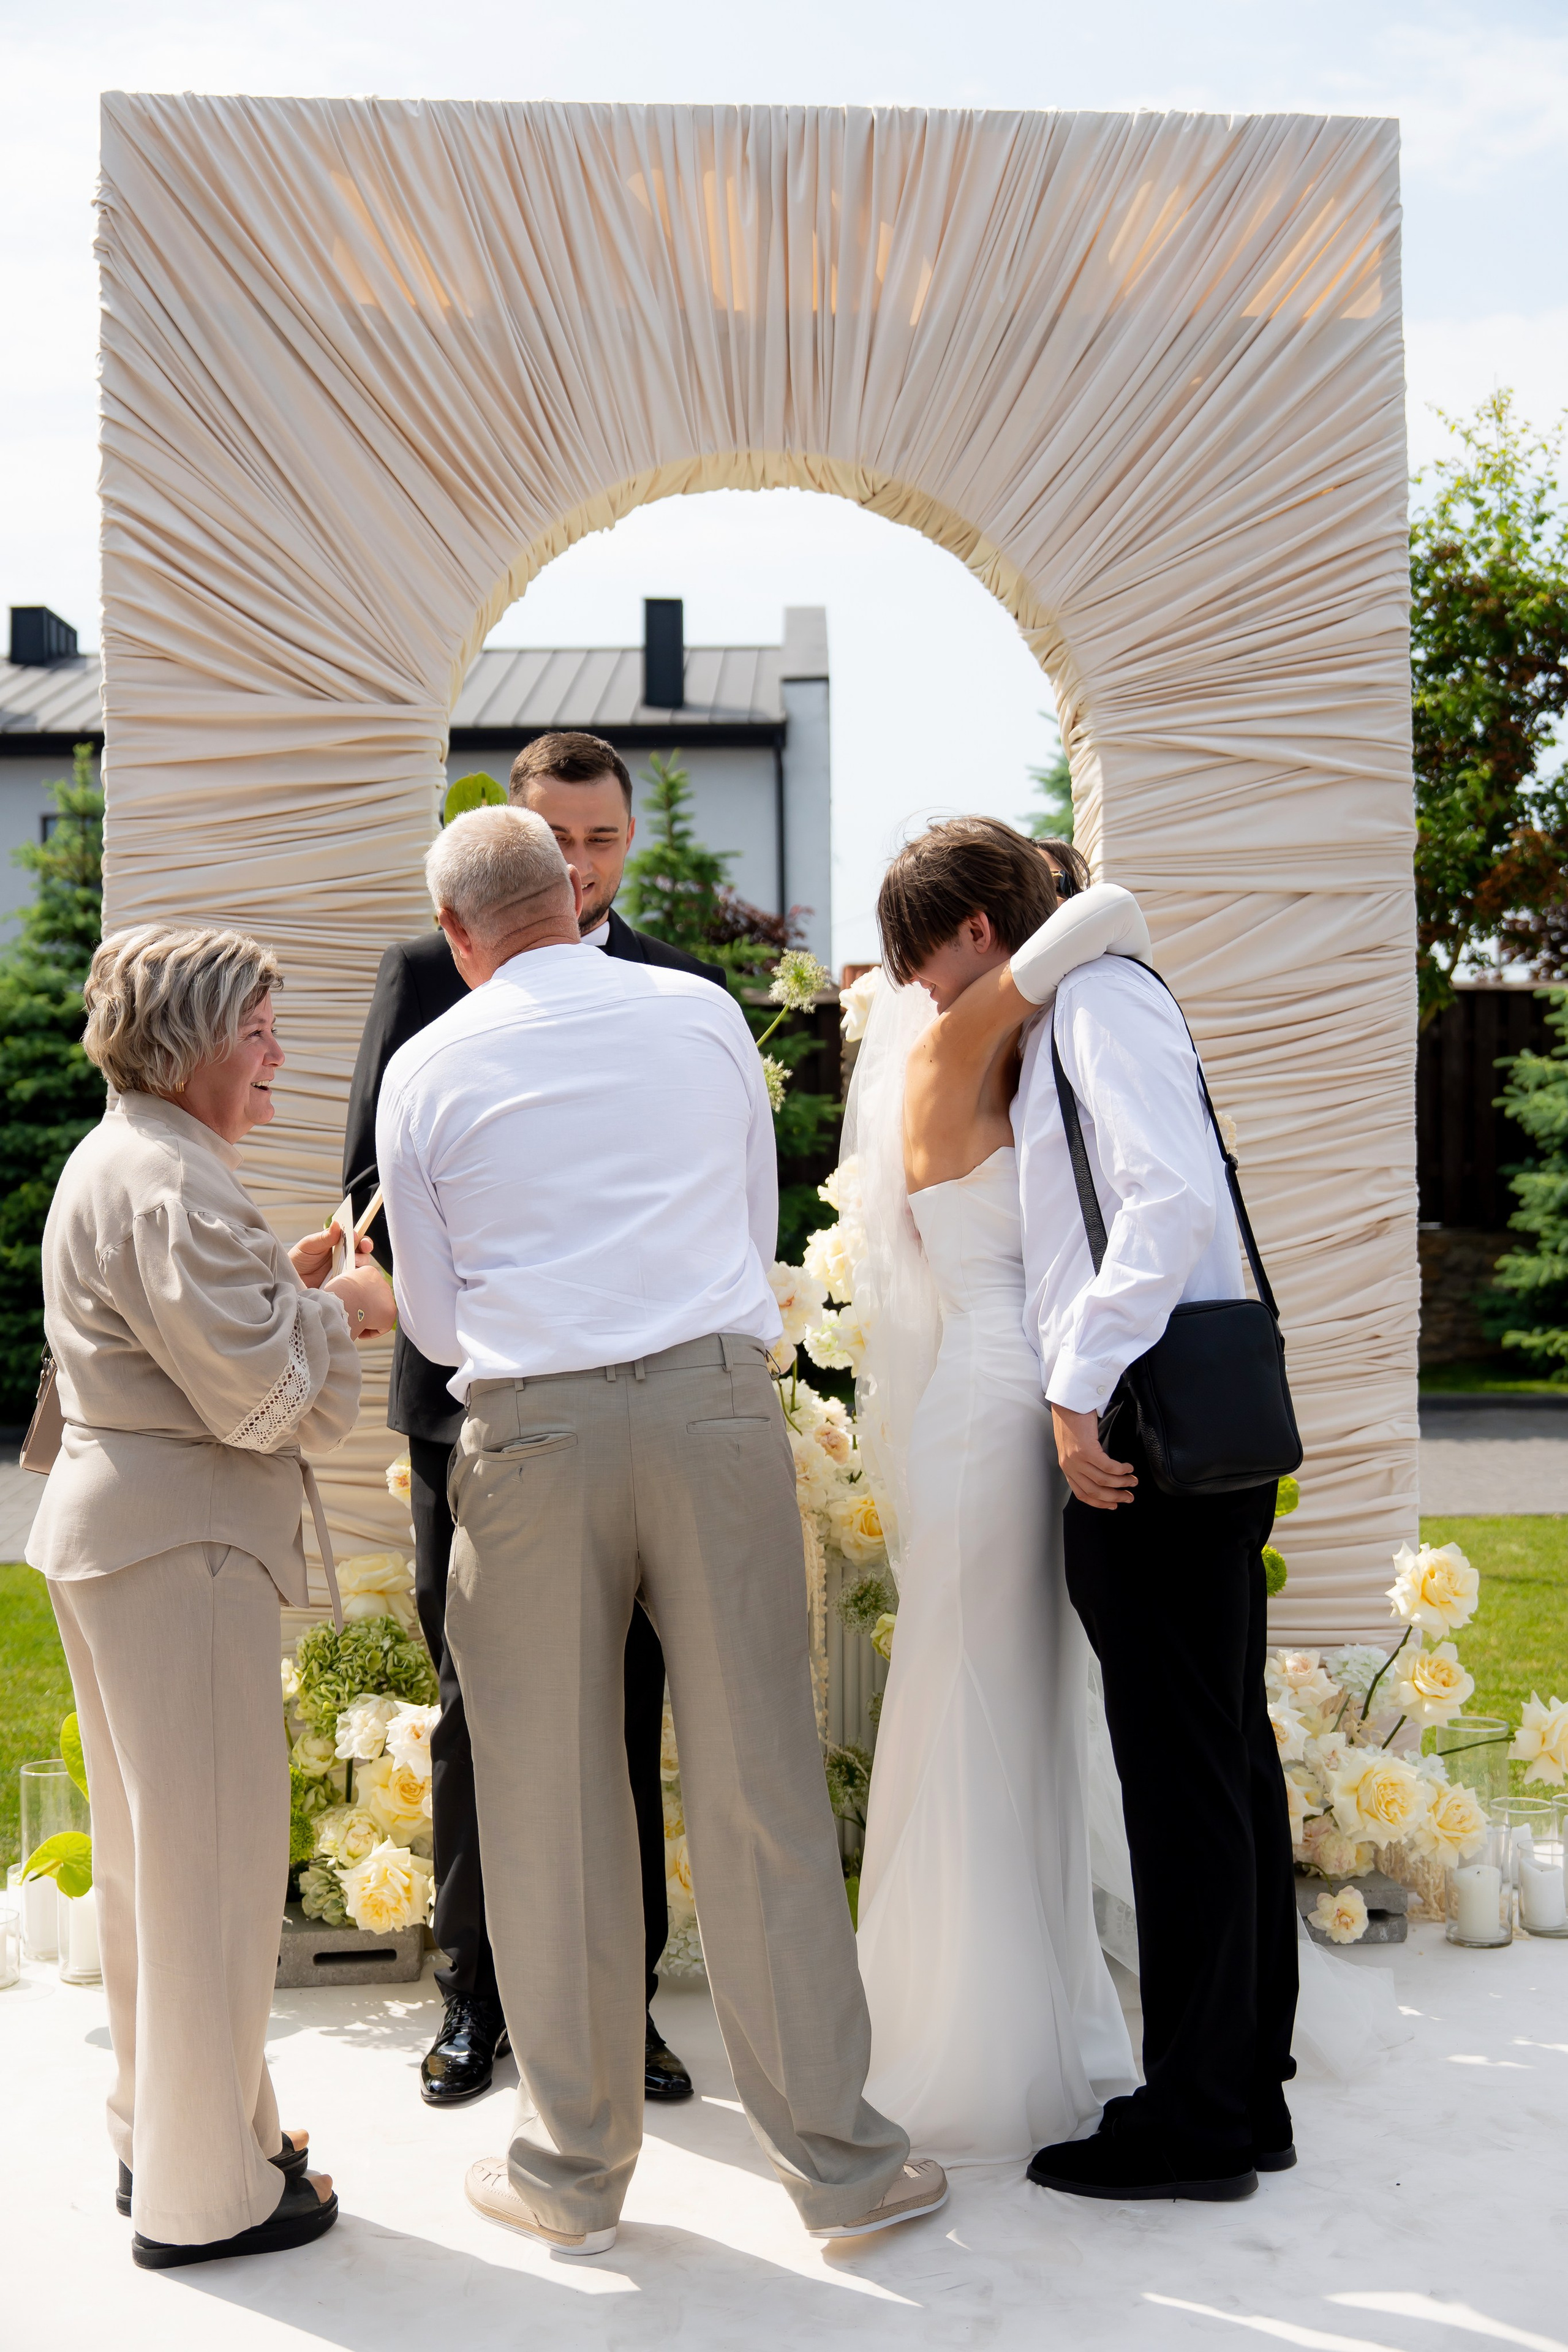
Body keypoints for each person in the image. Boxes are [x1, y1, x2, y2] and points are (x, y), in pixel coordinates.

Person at [377, 805, 944, 2257]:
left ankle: (569, 2180)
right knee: (762, 1783)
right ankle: (842, 2167)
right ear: (570, 894)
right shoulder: (698, 1014)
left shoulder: (427, 1063)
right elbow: (749, 1228)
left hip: (530, 1436)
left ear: (457, 935)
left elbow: (433, 1324)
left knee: (547, 1806)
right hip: (711, 1412)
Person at [343, 731, 718, 2107]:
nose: (578, 864)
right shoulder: (422, 973)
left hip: (642, 1417)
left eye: (601, 839)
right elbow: (368, 1190)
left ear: (629, 842)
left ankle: (623, 2006)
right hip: (469, 1414)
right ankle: (475, 1995)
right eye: (555, 841)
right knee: (476, 1706)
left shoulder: (679, 989)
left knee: (626, 1705)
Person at [27, 924, 394, 2269]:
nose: (278, 1054)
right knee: (214, 1882)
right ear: (189, 1043)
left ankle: (180, 2141)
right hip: (179, 1551)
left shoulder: (127, 1156)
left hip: (126, 1536)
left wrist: (280, 1287)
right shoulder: (172, 1179)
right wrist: (349, 1310)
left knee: (158, 1873)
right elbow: (260, 1402)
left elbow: (177, 1342)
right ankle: (203, 2199)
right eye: (258, 1031)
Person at [847, 817, 1149, 2165]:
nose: (916, 985)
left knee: (1023, 1710)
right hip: (992, 1411)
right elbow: (1112, 914)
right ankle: (967, 2048)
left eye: (920, 955)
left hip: (1016, 1404)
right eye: (914, 963)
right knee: (975, 1706)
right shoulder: (959, 1038)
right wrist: (1049, 890)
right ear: (992, 929)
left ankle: (1037, 2014)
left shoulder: (989, 1044)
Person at [1014, 891, 1300, 2203]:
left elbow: (1169, 1198)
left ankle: (1194, 2124)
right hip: (1199, 1433)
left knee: (1185, 1786)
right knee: (1224, 1768)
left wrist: (1075, 1387)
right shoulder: (1116, 995)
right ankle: (1242, 2095)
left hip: (1146, 1446)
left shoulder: (1091, 999)